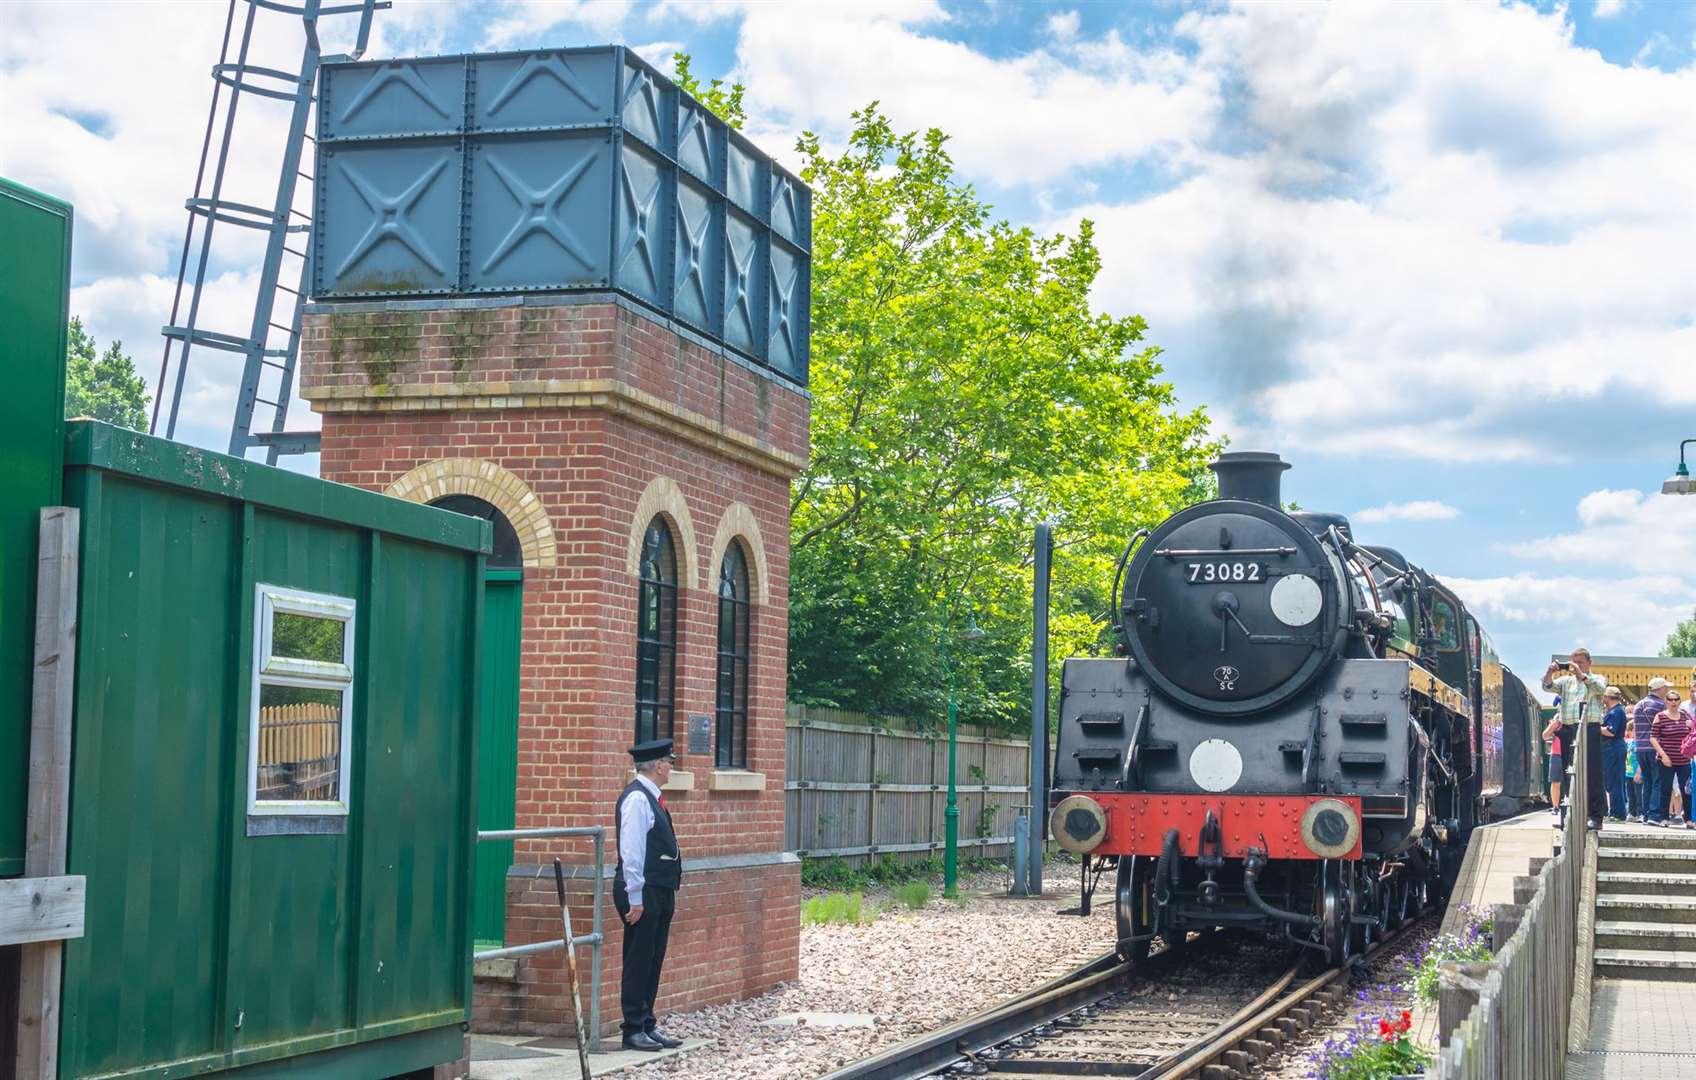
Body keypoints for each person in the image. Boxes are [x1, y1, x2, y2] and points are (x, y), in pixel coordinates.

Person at [614, 739, 684, 1051]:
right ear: (657, 765)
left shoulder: (651, 796)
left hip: (659, 888)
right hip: (643, 891)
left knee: (654, 956)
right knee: (639, 957)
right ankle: (632, 1028)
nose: (671, 767)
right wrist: (636, 896)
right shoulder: (637, 799)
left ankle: (646, 1022)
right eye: (669, 762)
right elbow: (631, 851)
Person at [1544, 649, 1607, 829]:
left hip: (1590, 728)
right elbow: (1547, 686)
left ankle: (1595, 816)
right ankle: (1570, 816)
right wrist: (1550, 672)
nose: (1577, 666)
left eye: (1580, 662)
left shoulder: (1598, 678)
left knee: (1593, 773)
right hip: (1568, 728)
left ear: (1589, 662)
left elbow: (1600, 689)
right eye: (1574, 662)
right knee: (1568, 772)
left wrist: (1582, 676)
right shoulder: (1565, 682)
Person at [1648, 691, 1693, 829]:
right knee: (1665, 788)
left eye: (1676, 699)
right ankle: (1663, 817)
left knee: (1686, 789)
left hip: (1684, 759)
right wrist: (1663, 755)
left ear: (1679, 701)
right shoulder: (1660, 716)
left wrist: (1691, 727)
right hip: (1666, 758)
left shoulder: (1685, 715)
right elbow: (1653, 737)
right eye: (1671, 700)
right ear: (1666, 701)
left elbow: (1692, 734)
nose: (1673, 702)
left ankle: (1689, 819)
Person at [1634, 678, 1670, 825]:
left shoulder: (1638, 705)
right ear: (1659, 689)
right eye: (1665, 688)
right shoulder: (1660, 705)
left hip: (1640, 748)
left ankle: (1645, 814)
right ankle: (1654, 815)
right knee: (1657, 781)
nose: (1666, 691)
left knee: (1647, 781)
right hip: (1654, 747)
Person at [1600, 686, 1628, 822]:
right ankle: (1617, 811)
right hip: (1612, 748)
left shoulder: (1616, 712)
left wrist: (1596, 728)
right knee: (1612, 781)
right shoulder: (1615, 711)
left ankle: (1618, 812)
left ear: (1608, 697)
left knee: (1615, 781)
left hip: (1613, 748)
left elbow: (1611, 731)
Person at [1624, 718, 1643, 822]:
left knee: (1639, 794)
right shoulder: (1629, 742)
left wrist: (1639, 772)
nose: (1630, 732)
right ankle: (1632, 812)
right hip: (1628, 772)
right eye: (1629, 730)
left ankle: (1640, 812)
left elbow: (1641, 760)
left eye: (1632, 730)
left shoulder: (1640, 744)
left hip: (1637, 773)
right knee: (1630, 794)